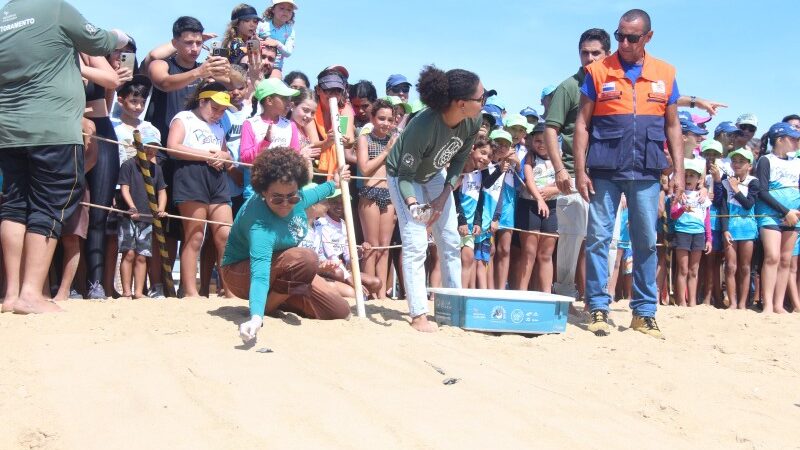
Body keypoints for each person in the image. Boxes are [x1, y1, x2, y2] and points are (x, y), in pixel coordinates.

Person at [0, 0, 128, 314]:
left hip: (10, 129)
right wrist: (120, 36)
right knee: (49, 204)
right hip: (53, 128)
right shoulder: (55, 8)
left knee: (15, 206)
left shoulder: (3, 16)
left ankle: (11, 294)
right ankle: (31, 293)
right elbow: (101, 41)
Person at [574, 9, 684, 338]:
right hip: (604, 168)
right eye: (619, 35)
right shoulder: (597, 71)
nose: (622, 42)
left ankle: (644, 313)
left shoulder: (665, 72)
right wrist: (580, 170)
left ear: (647, 38)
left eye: (631, 37)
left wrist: (678, 169)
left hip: (647, 168)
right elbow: (582, 123)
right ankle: (597, 307)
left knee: (646, 242)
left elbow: (673, 125)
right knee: (597, 239)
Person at [385, 65, 484, 332]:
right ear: (462, 103)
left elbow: (461, 158)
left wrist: (444, 195)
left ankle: (455, 308)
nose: (483, 103)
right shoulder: (423, 126)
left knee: (451, 239)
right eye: (481, 98)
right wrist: (414, 206)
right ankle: (418, 314)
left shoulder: (474, 120)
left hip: (433, 174)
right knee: (416, 241)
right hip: (403, 177)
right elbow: (405, 176)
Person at [222, 147, 351, 343]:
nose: (285, 203)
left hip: (286, 267)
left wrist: (335, 181)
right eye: (277, 197)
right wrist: (256, 318)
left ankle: (283, 299)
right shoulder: (259, 225)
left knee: (339, 310)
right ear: (263, 192)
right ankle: (266, 307)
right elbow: (260, 274)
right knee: (306, 258)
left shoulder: (299, 198)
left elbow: (320, 191)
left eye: (291, 196)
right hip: (241, 272)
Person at [545, 28, 612, 305]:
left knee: (605, 244)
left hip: (607, 175)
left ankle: (597, 300)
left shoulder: (613, 84)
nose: (589, 58)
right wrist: (559, 169)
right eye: (585, 52)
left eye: (596, 53)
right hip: (573, 173)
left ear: (607, 54)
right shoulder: (568, 87)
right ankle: (563, 298)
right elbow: (551, 130)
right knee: (571, 242)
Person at [166, 81, 236, 297]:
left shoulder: (219, 126)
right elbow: (172, 147)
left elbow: (228, 158)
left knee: (226, 235)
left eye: (223, 110)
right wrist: (206, 155)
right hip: (191, 176)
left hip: (217, 179)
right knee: (195, 235)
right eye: (214, 108)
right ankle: (190, 291)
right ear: (202, 100)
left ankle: (231, 289)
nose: (218, 114)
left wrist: (224, 157)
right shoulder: (183, 118)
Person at [755, 122, 800, 314]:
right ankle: (767, 305)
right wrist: (785, 212)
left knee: (785, 260)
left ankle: (778, 305)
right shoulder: (766, 160)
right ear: (780, 140)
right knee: (772, 257)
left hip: (793, 216)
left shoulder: (798, 162)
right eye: (793, 138)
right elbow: (762, 192)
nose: (797, 142)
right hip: (771, 215)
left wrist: (795, 212)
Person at [117, 128, 167, 299]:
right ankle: (126, 291)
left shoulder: (156, 169)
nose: (150, 150)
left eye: (154, 147)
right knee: (128, 253)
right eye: (147, 146)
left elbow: (162, 191)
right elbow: (125, 188)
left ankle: (139, 291)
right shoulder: (128, 165)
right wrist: (132, 207)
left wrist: (160, 208)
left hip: (147, 218)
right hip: (129, 217)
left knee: (142, 255)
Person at [356, 99, 397, 298]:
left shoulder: (395, 141)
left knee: (385, 247)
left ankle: (381, 295)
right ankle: (369, 293)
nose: (386, 123)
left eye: (389, 119)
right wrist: (387, 151)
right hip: (369, 193)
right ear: (372, 118)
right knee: (370, 246)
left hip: (389, 195)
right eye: (381, 118)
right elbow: (364, 169)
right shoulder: (365, 139)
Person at [518, 123, 559, 291]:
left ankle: (547, 294)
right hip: (530, 206)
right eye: (537, 141)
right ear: (531, 141)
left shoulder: (559, 158)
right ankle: (521, 293)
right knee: (529, 253)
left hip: (552, 206)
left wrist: (552, 190)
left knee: (546, 254)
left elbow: (564, 183)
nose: (541, 145)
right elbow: (529, 180)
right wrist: (539, 199)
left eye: (545, 141)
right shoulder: (530, 157)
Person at [718, 148, 759, 310]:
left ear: (749, 165)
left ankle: (742, 303)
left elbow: (749, 204)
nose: (737, 164)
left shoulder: (753, 182)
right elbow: (723, 208)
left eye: (741, 162)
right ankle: (733, 303)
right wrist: (725, 229)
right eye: (734, 161)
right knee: (730, 266)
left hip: (747, 228)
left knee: (745, 267)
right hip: (731, 228)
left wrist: (735, 188)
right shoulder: (726, 181)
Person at [670, 159, 712, 307]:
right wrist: (682, 209)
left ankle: (693, 302)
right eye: (686, 175)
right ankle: (681, 301)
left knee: (694, 270)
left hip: (698, 233)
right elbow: (673, 214)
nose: (688, 179)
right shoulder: (679, 194)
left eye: (692, 176)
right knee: (682, 269)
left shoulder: (703, 196)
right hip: (682, 232)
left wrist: (709, 239)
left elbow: (706, 219)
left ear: (699, 179)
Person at [454, 138, 493, 288]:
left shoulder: (482, 174)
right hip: (455, 222)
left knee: (468, 257)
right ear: (472, 149)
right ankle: (435, 295)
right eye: (482, 153)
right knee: (446, 258)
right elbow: (454, 199)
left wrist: (477, 222)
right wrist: (461, 221)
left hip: (470, 226)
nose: (485, 158)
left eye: (489, 156)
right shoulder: (459, 170)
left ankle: (461, 293)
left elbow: (480, 201)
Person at [257, 0, 297, 79]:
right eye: (282, 8)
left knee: (275, 83)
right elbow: (252, 40)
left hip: (276, 67)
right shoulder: (261, 25)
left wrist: (277, 43)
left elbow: (288, 53)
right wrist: (261, 42)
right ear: (273, 9)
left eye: (289, 10)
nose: (285, 12)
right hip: (257, 62)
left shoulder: (290, 31)